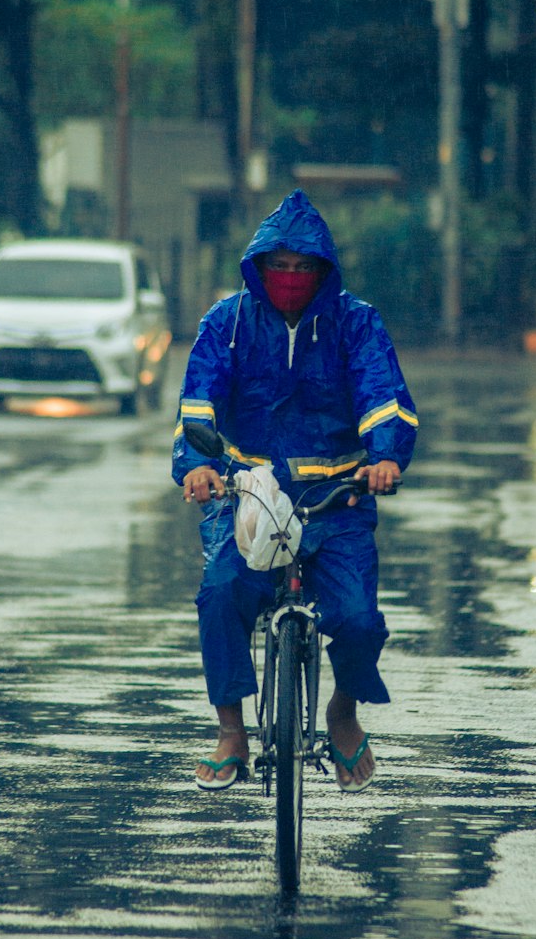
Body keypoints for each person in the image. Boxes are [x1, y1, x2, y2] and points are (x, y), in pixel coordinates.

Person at [172, 189, 418, 794]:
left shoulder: (357, 322)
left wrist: (384, 457)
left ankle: (342, 712)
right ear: (258, 269)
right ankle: (231, 730)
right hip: (247, 493)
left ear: (323, 270)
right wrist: (196, 467)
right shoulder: (225, 322)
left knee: (358, 618)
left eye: (302, 267)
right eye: (278, 266)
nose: (289, 278)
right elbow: (197, 402)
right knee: (222, 593)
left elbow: (382, 396)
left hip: (337, 496)